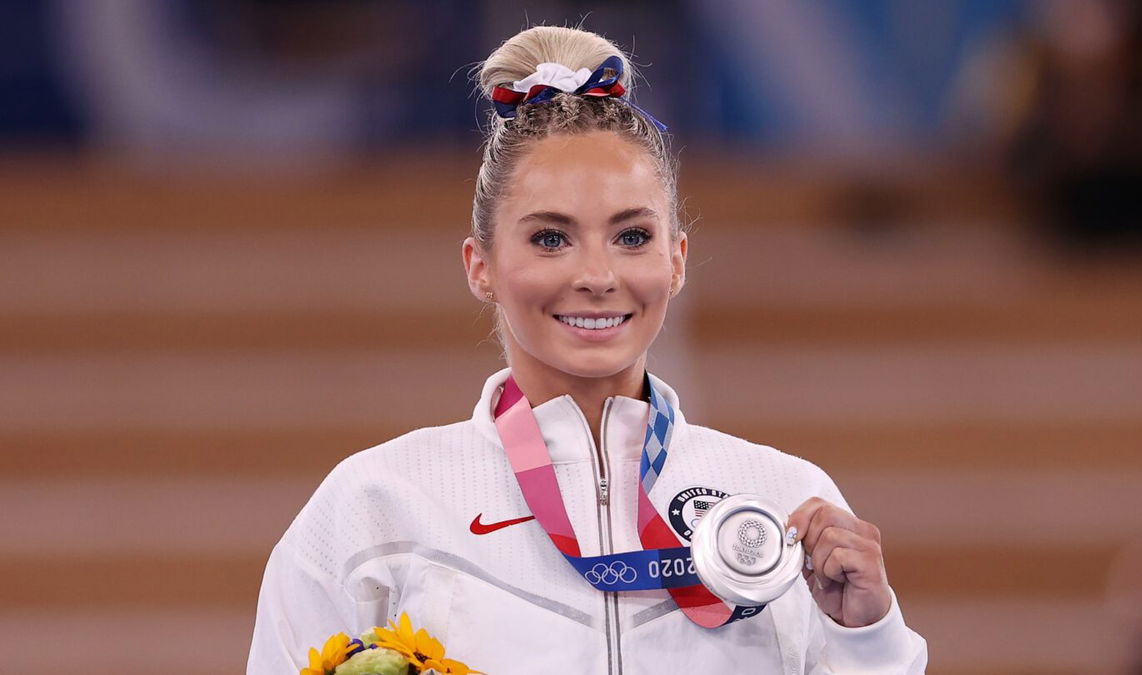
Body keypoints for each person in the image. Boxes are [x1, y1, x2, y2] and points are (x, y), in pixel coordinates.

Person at [248, 25, 928, 674]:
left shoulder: (782, 503)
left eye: (631, 236)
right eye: (550, 238)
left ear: (677, 259)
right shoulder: (376, 507)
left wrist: (867, 639)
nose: (597, 276)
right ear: (479, 264)